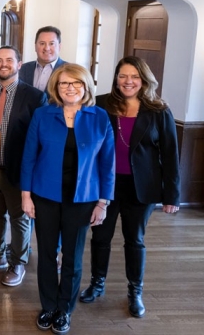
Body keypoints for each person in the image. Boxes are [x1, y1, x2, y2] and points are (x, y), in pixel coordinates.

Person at [79, 56, 180, 318]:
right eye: (123, 76)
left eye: (134, 76)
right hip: (105, 186)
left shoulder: (159, 110)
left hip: (141, 188)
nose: (128, 81)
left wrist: (172, 195)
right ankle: (97, 284)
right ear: (116, 79)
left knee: (134, 240)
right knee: (100, 238)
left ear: (144, 80)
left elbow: (170, 155)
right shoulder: (101, 104)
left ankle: (135, 292)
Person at [21, 63, 115, 334]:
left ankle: (65, 309)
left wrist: (102, 202)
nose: (70, 88)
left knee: (72, 257)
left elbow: (107, 164)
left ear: (85, 87)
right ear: (56, 87)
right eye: (64, 83)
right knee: (47, 253)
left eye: (76, 83)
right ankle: (48, 306)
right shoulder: (42, 114)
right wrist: (26, 196)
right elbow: (29, 157)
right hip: (45, 195)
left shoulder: (99, 117)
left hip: (83, 198)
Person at [0, 46, 47, 286]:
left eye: (9, 60)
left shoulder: (35, 96)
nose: (3, 64)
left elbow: (40, 137)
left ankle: (18, 262)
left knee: (19, 218)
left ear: (19, 64)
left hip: (18, 169)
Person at [18, 26, 67, 93]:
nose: (46, 48)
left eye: (51, 43)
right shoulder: (22, 69)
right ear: (35, 46)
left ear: (59, 47)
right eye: (42, 43)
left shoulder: (70, 70)